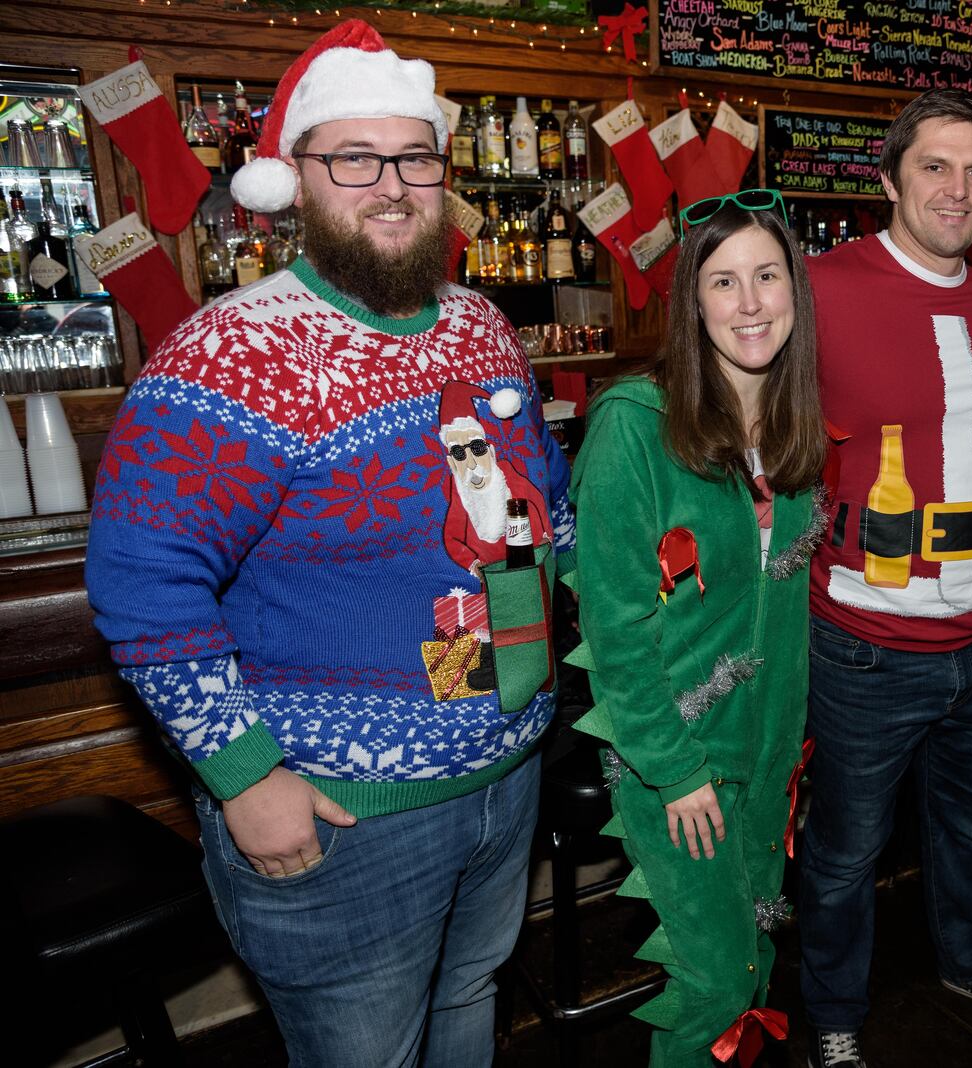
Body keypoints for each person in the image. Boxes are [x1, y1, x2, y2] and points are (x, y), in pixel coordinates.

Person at [85, 20, 573, 1066]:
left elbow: (535, 499)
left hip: (504, 779)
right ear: (295, 180)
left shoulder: (482, 322)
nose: (389, 184)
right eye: (353, 157)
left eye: (413, 155)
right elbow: (143, 582)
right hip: (350, 823)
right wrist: (245, 776)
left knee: (468, 1011)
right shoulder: (228, 353)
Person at [799, 89, 972, 1068]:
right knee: (843, 857)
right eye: (936, 167)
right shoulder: (816, 286)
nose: (959, 189)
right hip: (866, 644)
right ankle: (830, 1014)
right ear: (889, 178)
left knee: (969, 828)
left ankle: (968, 960)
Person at [568, 190, 827, 1067]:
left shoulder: (795, 430)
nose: (750, 303)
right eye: (724, 282)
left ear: (796, 287)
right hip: (674, 755)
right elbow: (614, 626)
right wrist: (673, 770)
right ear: (692, 301)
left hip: (769, 752)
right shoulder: (633, 427)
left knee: (753, 962)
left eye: (767, 275)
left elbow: (784, 608)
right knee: (714, 980)